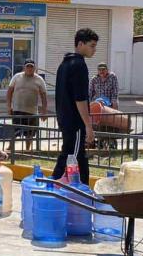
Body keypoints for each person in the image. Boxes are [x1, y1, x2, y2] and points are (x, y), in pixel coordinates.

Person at [54, 28, 99, 181]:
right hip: (75, 121)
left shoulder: (64, 64)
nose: (94, 49)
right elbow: (80, 98)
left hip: (64, 118)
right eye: (92, 45)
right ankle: (53, 185)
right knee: (72, 155)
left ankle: (84, 190)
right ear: (80, 44)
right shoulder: (79, 65)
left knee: (76, 156)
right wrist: (88, 125)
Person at [7, 60, 48, 151]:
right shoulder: (17, 77)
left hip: (32, 111)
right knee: (15, 130)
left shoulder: (39, 79)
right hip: (17, 109)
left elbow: (44, 95)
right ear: (24, 67)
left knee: (30, 132)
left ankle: (27, 150)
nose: (29, 68)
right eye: (28, 66)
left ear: (35, 68)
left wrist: (44, 111)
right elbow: (9, 92)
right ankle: (10, 149)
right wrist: (9, 106)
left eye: (31, 67)